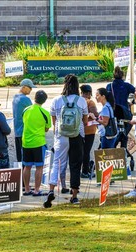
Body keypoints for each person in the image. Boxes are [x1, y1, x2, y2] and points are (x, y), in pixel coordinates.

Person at [44, 75, 88, 208]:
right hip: (77, 136)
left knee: (57, 163)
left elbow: (54, 122)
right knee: (75, 165)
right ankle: (74, 196)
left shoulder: (56, 101)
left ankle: (51, 189)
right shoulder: (81, 101)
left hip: (61, 137)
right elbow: (85, 121)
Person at [22, 90, 51, 196]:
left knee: (27, 166)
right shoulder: (45, 113)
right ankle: (37, 190)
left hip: (26, 142)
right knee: (39, 167)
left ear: (34, 98)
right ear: (44, 101)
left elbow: (24, 121)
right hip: (38, 142)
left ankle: (27, 189)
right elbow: (47, 129)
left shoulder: (26, 110)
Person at [106, 66, 134, 149]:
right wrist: (132, 102)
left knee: (114, 132)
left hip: (113, 112)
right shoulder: (127, 85)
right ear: (123, 76)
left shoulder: (109, 86)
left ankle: (113, 148)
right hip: (124, 112)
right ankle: (123, 149)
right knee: (125, 131)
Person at [12, 79, 34, 162]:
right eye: (30, 88)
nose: (31, 90)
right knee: (26, 158)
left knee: (19, 158)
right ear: (24, 87)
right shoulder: (25, 99)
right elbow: (33, 112)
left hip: (17, 131)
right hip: (24, 131)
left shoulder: (15, 97)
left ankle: (19, 173)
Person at [80, 84, 98, 178]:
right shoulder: (90, 102)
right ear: (89, 93)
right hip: (90, 130)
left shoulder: (78, 101)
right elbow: (95, 114)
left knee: (81, 151)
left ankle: (80, 169)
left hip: (79, 129)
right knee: (86, 151)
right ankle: (85, 171)